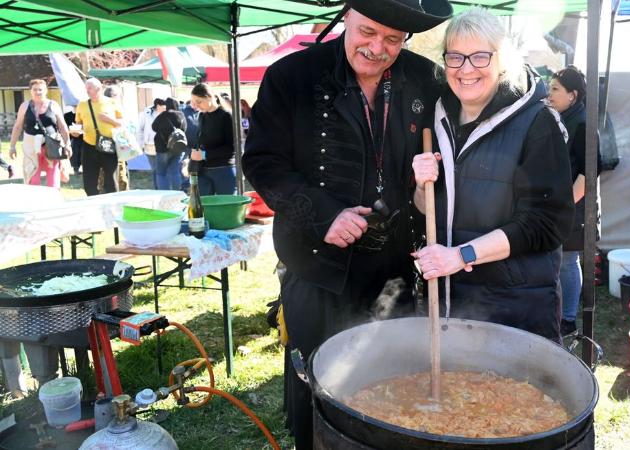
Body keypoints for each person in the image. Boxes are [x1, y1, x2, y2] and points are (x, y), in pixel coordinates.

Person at [242, 0, 452, 447]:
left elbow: (479, 94)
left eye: (393, 39)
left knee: (393, 385)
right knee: (317, 385)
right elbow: (262, 161)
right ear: (346, 18)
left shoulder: (424, 78)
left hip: (394, 268)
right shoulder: (292, 77)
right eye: (367, 32)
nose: (378, 48)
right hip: (318, 268)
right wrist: (323, 215)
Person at [411, 7, 574, 342]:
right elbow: (429, 209)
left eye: (480, 56)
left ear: (503, 59)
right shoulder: (437, 117)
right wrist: (419, 184)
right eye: (455, 57)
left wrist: (461, 255)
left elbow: (546, 223)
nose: (466, 69)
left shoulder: (537, 122)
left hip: (515, 309)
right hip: (450, 304)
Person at [546, 65, 603, 336]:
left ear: (573, 95)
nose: (549, 93)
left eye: (555, 88)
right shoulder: (561, 119)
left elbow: (589, 174)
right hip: (562, 206)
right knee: (561, 261)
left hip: (576, 209)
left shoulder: (582, 123)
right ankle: (561, 313)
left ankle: (568, 318)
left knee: (568, 261)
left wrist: (564, 205)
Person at [8, 79, 71, 187]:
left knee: (53, 179)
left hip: (51, 146)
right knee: (33, 179)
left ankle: (54, 201)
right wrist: (12, 146)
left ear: (46, 90)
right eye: (35, 90)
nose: (38, 92)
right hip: (31, 147)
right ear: (30, 91)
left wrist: (67, 145)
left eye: (40, 89)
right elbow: (17, 127)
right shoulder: (24, 106)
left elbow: (63, 126)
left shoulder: (54, 105)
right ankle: (35, 202)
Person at [73, 78, 123, 196]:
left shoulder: (112, 102)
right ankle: (94, 206)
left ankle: (113, 207)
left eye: (89, 88)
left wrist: (109, 120)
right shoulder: (82, 104)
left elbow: (122, 123)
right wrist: (75, 132)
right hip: (89, 146)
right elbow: (78, 124)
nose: (87, 91)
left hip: (108, 145)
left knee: (111, 182)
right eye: (86, 88)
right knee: (89, 183)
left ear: (99, 88)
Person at [189, 83, 236, 195]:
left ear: (209, 97)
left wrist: (204, 155)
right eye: (194, 102)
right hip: (203, 170)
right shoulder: (202, 116)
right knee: (204, 207)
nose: (196, 106)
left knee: (226, 207)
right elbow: (201, 141)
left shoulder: (226, 116)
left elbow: (232, 148)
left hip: (223, 169)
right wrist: (193, 156)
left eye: (199, 102)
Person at [151, 97, 186, 190]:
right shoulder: (181, 115)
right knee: (175, 172)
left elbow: (153, 127)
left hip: (162, 148)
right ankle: (177, 192)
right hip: (177, 147)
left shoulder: (163, 115)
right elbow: (185, 129)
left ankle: (164, 193)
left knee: (161, 173)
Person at [102, 86, 129, 191]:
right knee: (107, 174)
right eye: (117, 96)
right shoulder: (103, 108)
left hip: (120, 144)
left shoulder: (119, 108)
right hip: (106, 145)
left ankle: (123, 195)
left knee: (121, 174)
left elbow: (123, 125)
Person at [137, 98, 166, 188]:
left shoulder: (167, 114)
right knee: (155, 169)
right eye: (164, 106)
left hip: (163, 146)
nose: (166, 107)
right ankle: (157, 188)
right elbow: (140, 129)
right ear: (158, 106)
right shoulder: (146, 114)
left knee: (161, 169)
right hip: (149, 145)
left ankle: (162, 187)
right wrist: (140, 144)